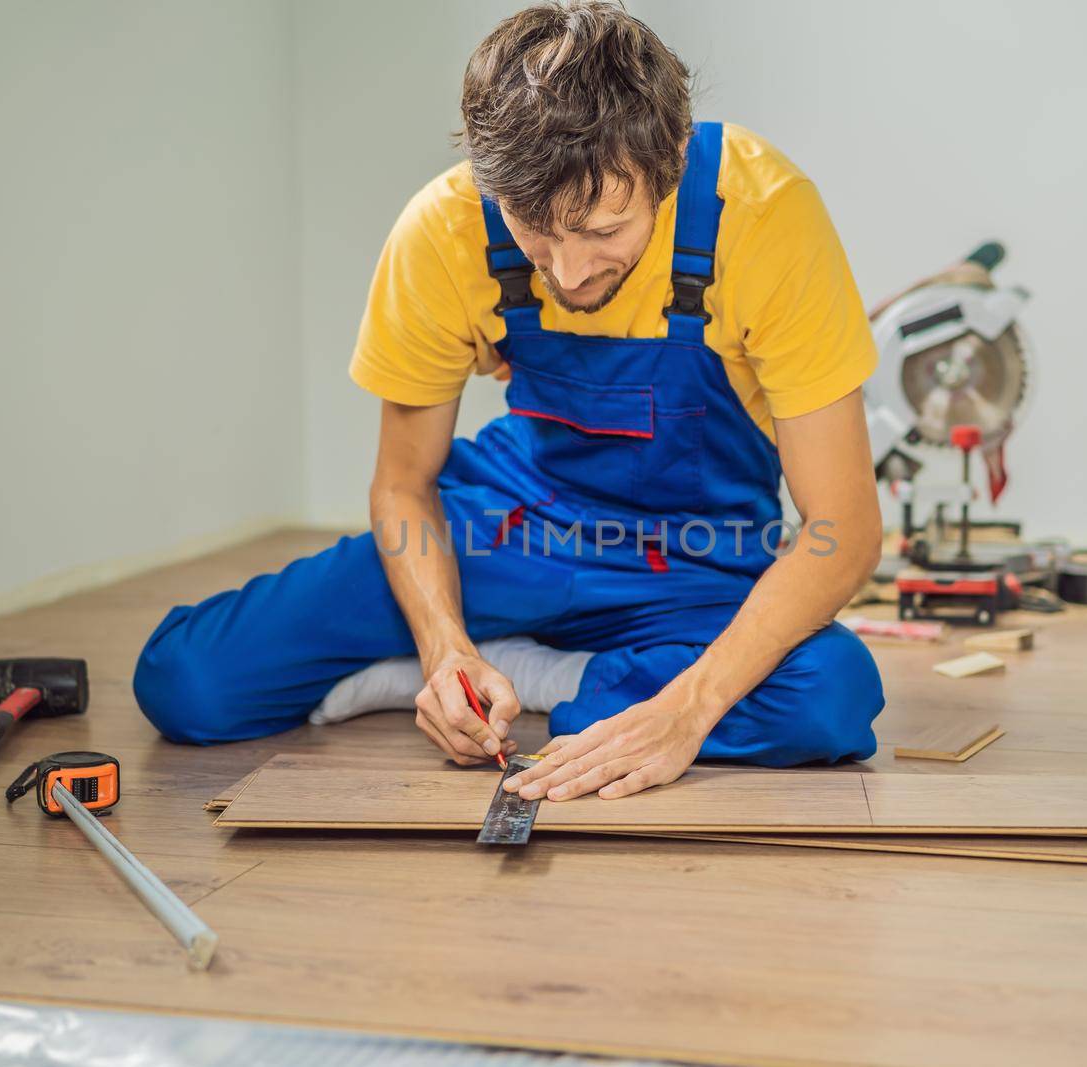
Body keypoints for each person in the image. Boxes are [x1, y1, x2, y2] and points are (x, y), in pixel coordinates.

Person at [133, 0, 886, 803]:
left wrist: (691, 710)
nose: (565, 273)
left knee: (831, 695)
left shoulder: (765, 215)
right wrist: (443, 646)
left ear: (666, 163)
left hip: (687, 560)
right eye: (533, 228)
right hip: (505, 532)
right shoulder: (443, 230)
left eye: (602, 229)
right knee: (188, 681)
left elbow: (844, 533)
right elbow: (401, 484)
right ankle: (481, 666)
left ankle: (547, 674)